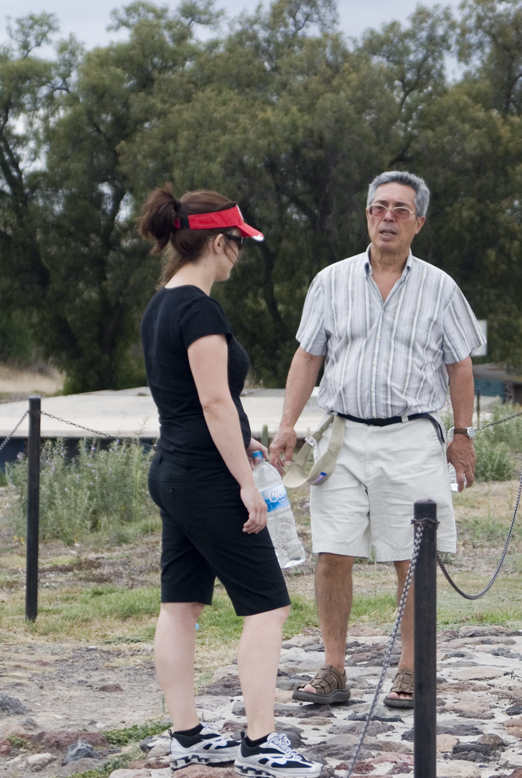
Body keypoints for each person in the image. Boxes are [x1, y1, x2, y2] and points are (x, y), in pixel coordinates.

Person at [269, 171, 484, 709]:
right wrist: (287, 423)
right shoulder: (331, 280)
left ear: (419, 222)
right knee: (331, 551)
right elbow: (308, 356)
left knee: (411, 554)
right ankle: (333, 669)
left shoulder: (440, 287)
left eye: (400, 210)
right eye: (379, 207)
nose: (388, 217)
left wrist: (462, 434)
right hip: (342, 436)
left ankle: (412, 670)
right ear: (367, 215)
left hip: (412, 436)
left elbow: (460, 366)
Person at [138, 187, 320, 777]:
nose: (238, 255)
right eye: (237, 244)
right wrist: (245, 479)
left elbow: (193, 403)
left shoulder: (160, 303)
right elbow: (215, 401)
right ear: (219, 242)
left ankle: (187, 735)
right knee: (267, 606)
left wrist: (242, 442)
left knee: (181, 604)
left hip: (173, 468)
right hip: (208, 477)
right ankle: (261, 743)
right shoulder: (200, 308)